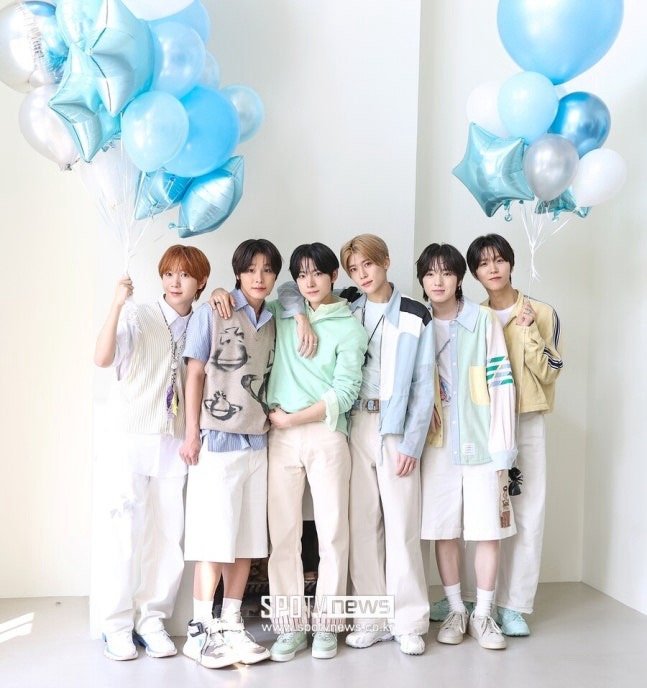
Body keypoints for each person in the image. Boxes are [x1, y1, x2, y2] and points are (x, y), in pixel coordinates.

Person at [93, 244, 210, 661]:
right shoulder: (137, 315)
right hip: (130, 436)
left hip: (174, 441)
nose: (175, 282)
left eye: (185, 274)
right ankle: (116, 625)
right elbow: (101, 358)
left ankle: (152, 619)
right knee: (124, 531)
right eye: (168, 273)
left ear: (200, 281)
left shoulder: (203, 321)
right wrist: (116, 303)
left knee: (167, 535)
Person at [326, 234, 434, 656]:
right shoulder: (347, 307)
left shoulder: (415, 314)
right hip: (355, 426)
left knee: (402, 526)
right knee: (363, 525)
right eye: (354, 269)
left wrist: (412, 444)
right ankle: (371, 619)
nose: (362, 275)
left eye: (367, 265)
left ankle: (408, 622)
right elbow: (294, 292)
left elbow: (423, 386)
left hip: (396, 431)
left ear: (385, 261)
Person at [180, 239, 282, 669]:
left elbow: (297, 296)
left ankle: (231, 624)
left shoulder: (274, 319)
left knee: (246, 541)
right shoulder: (212, 312)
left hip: (257, 442)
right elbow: (194, 373)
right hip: (217, 441)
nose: (259, 277)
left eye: (267, 270)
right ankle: (200, 631)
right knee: (214, 539)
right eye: (250, 270)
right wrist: (192, 434)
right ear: (238, 273)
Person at [262, 243, 367, 661]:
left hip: (325, 434)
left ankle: (327, 625)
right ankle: (290, 627)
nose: (309, 281)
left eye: (317, 273)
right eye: (302, 274)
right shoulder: (284, 311)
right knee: (283, 534)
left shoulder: (350, 328)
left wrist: (293, 419)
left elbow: (345, 392)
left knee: (333, 532)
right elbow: (282, 290)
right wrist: (301, 316)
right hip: (281, 438)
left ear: (333, 276)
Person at [462, 233, 563, 637]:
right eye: (484, 263)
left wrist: (529, 331)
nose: (493, 268)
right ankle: (473, 598)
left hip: (527, 420)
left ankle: (515, 604)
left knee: (527, 512)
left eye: (499, 260)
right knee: (482, 510)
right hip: (484, 424)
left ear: (511, 263)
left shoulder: (541, 311)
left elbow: (552, 371)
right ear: (474, 273)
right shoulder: (473, 316)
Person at [417, 242, 517, 651]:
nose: (438, 280)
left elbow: (501, 380)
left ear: (459, 277)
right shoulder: (418, 322)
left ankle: (483, 614)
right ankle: (457, 608)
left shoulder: (482, 320)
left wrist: (503, 446)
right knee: (444, 529)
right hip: (436, 444)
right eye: (430, 273)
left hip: (482, 440)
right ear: (422, 280)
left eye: (446, 272)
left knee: (487, 529)